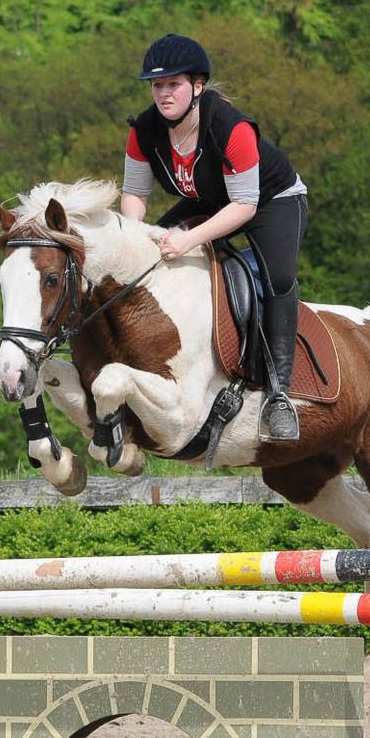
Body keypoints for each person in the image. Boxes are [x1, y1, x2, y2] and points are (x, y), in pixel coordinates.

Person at [120, 33, 309, 441]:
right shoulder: (144, 130)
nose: (164, 94)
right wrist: (133, 243)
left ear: (198, 86)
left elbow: (244, 204)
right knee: (152, 255)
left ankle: (279, 395)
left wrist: (188, 241)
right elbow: (135, 193)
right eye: (157, 85)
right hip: (208, 199)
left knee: (276, 277)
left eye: (174, 84)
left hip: (269, 200)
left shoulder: (231, 127)